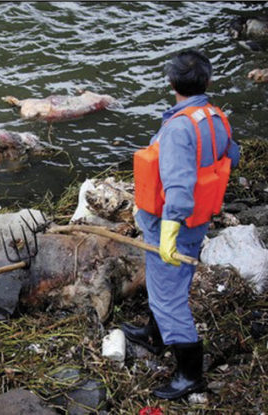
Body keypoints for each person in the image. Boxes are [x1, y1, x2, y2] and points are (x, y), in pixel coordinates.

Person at [124, 49, 240, 400]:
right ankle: (154, 336)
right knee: (166, 289)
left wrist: (169, 233)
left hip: (170, 223)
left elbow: (178, 189)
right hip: (197, 222)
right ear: (208, 81)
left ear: (171, 83)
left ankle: (190, 375)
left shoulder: (178, 128)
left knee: (169, 300)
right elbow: (230, 155)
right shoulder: (215, 117)